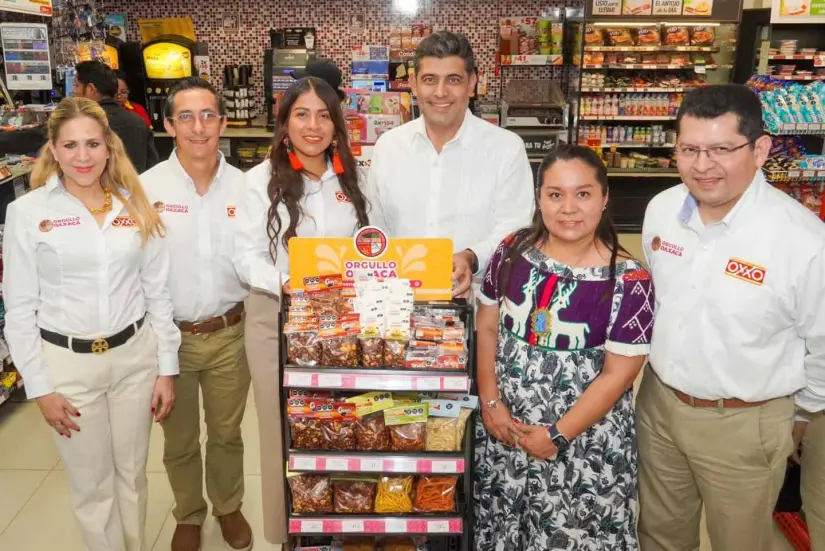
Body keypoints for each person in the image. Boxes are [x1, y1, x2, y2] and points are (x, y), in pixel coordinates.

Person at [638, 84, 825, 551]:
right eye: (690, 149)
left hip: (742, 422)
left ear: (760, 149)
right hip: (659, 405)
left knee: (738, 542)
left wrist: (794, 417)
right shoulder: (661, 210)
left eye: (722, 149)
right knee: (659, 533)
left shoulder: (801, 240)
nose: (703, 165)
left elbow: (823, 345)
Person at [2, 97, 179, 551]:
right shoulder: (28, 213)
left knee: (133, 476)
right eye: (71, 145)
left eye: (93, 144)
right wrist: (39, 388)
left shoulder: (134, 204)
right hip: (68, 366)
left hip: (134, 359)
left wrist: (166, 367)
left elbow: (156, 293)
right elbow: (19, 307)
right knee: (91, 484)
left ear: (109, 147)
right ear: (54, 150)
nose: (83, 156)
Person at [473, 144, 654, 550]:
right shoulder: (511, 251)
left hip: (583, 445)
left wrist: (556, 435)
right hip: (507, 435)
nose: (568, 208)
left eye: (583, 193)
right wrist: (491, 403)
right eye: (555, 194)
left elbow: (619, 374)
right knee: (504, 527)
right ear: (538, 199)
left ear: (605, 199)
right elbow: (487, 327)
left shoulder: (629, 280)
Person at [233, 76, 372, 545]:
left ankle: (346, 521)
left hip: (346, 324)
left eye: (323, 114)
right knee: (283, 428)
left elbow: (375, 243)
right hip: (276, 318)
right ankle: (291, 532)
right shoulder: (258, 181)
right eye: (301, 114)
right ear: (284, 121)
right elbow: (244, 255)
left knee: (345, 419)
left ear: (337, 122)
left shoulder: (355, 176)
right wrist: (288, 281)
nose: (313, 126)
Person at [141, 77, 251, 551]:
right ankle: (188, 512)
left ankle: (228, 505)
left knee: (227, 434)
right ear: (168, 125)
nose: (198, 127)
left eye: (208, 115)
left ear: (223, 122)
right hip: (171, 338)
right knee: (179, 438)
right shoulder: (146, 190)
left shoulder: (248, 187)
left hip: (231, 331)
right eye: (185, 116)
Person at [366, 30, 533, 297]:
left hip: (479, 304)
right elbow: (377, 225)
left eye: (453, 80)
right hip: (400, 303)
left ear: (471, 83)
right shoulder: (388, 146)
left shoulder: (506, 148)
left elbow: (514, 228)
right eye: (430, 80)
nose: (440, 93)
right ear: (413, 83)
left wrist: (471, 257)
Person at [74, 60, 159, 172]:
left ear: (91, 89)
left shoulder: (80, 124)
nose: (74, 91)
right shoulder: (138, 121)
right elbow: (152, 165)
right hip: (135, 187)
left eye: (76, 85)